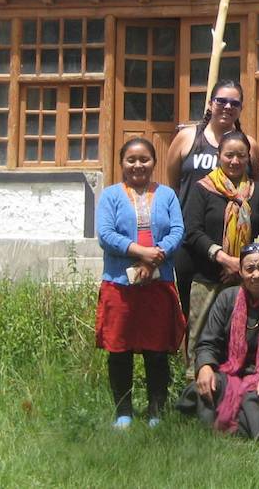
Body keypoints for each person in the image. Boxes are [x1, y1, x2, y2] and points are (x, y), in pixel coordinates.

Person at [95, 138, 186, 429]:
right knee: (119, 349)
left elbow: (177, 231)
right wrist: (140, 252)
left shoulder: (168, 195)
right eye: (131, 160)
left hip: (158, 283)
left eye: (144, 159)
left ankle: (156, 411)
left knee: (156, 350)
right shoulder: (110, 196)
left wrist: (153, 259)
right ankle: (124, 412)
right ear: (121, 163)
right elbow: (106, 235)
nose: (138, 165)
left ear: (154, 162)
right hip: (120, 284)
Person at [186, 242, 259, 438]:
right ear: (240, 271)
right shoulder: (227, 298)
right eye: (249, 269)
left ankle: (255, 433)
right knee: (208, 387)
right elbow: (208, 342)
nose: (256, 275)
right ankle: (215, 432)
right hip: (229, 372)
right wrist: (205, 366)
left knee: (256, 396)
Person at [167, 80, 259, 314]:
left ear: (240, 108)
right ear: (210, 103)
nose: (227, 107)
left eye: (234, 103)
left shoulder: (249, 145)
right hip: (191, 241)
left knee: (233, 313)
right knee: (190, 311)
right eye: (221, 101)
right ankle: (188, 352)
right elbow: (174, 183)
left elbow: (254, 188)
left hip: (235, 247)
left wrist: (235, 257)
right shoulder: (187, 137)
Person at [182, 130, 259, 338]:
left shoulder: (257, 192)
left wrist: (242, 263)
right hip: (208, 276)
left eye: (241, 156)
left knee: (243, 334)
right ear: (219, 156)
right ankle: (197, 372)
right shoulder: (203, 189)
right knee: (201, 336)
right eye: (229, 155)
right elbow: (193, 231)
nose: (235, 161)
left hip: (249, 277)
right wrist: (224, 259)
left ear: (249, 157)